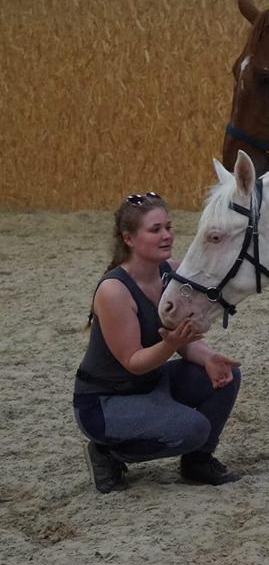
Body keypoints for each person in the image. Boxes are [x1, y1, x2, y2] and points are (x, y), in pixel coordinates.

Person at [73, 192, 243, 493]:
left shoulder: (171, 273)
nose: (167, 236)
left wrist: (208, 358)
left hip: (151, 385)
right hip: (107, 402)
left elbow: (180, 342)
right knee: (194, 429)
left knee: (225, 375)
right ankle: (106, 453)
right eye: (155, 230)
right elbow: (134, 362)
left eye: (169, 226)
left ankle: (198, 462)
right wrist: (171, 344)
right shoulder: (114, 291)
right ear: (129, 238)